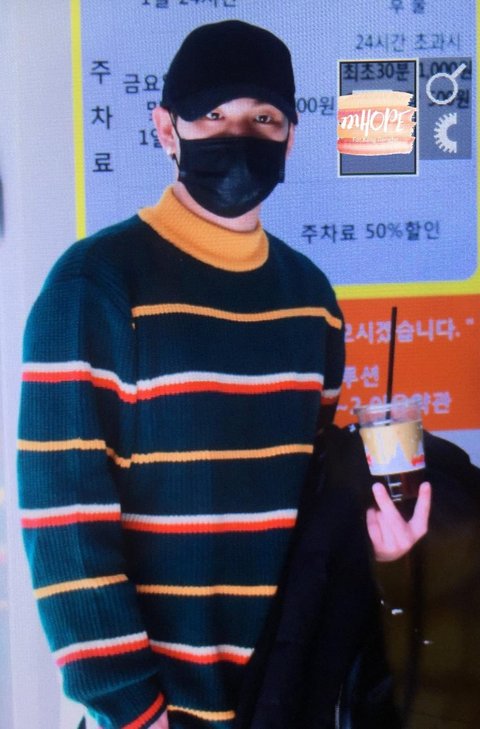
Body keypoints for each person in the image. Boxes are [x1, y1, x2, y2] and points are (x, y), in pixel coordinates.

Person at [17, 20, 430, 729]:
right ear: (165, 128)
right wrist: (136, 712)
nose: (238, 137)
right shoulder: (96, 288)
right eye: (213, 114)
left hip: (279, 699)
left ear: (290, 138)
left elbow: (296, 510)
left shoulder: (312, 304)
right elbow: (65, 526)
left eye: (263, 118)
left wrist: (379, 546)